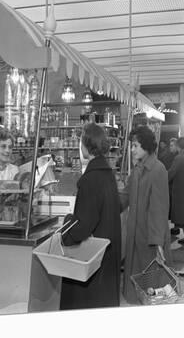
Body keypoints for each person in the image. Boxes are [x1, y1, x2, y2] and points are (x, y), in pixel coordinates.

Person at [60, 123, 121, 310]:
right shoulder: (107, 173)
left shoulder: (90, 179)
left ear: (86, 145)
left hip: (94, 259)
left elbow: (83, 225)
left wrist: (66, 226)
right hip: (108, 250)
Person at [120, 126, 172, 305]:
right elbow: (124, 197)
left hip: (150, 239)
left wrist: (158, 242)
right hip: (135, 235)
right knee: (138, 284)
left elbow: (159, 208)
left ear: (146, 146)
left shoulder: (158, 170)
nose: (132, 149)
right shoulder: (137, 170)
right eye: (131, 146)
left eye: (135, 145)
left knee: (152, 286)